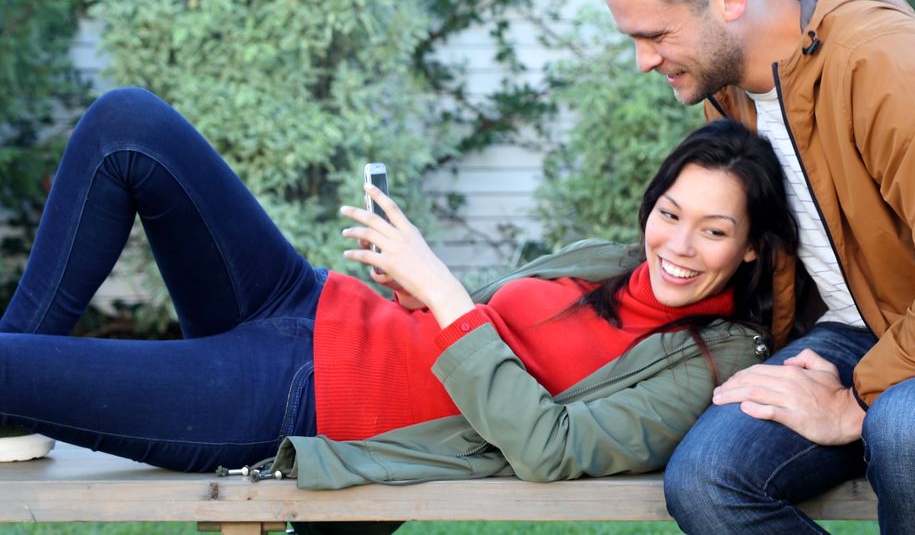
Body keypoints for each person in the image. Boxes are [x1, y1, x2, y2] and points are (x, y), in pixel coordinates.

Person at [0, 88, 796, 492]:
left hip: (299, 400)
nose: (679, 246)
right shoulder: (613, 262)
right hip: (307, 303)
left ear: (753, 249)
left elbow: (552, 448)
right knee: (126, 124)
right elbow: (487, 320)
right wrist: (417, 291)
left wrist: (443, 297)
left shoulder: (700, 366)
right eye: (670, 212)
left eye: (714, 231)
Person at [593, 0, 915, 533]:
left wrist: (854, 402)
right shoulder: (729, 90)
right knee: (707, 478)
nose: (644, 60)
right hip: (857, 334)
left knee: (908, 425)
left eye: (656, 36)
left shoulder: (887, 63)